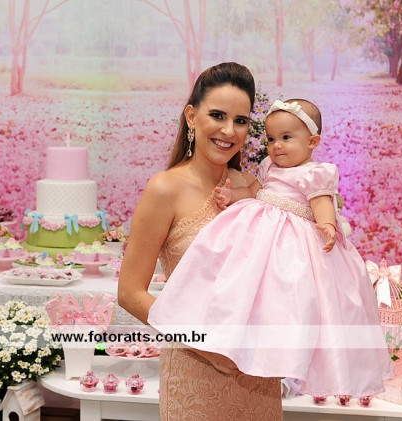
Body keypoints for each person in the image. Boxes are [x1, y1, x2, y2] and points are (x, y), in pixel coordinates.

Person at [148, 98, 393, 398]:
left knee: (289, 296)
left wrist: (328, 225)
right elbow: (254, 191)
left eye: (286, 138)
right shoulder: (268, 167)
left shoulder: (314, 173)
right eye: (272, 139)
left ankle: (279, 354)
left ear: (312, 142)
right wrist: (233, 196)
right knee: (241, 277)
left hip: (291, 241)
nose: (276, 146)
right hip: (257, 232)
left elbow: (322, 204)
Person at [118, 63, 283, 420]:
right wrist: (205, 345)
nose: (229, 131)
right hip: (195, 372)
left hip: (257, 375)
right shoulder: (165, 188)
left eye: (241, 120)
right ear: (191, 116)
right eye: (218, 116)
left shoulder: (252, 187)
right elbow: (130, 293)